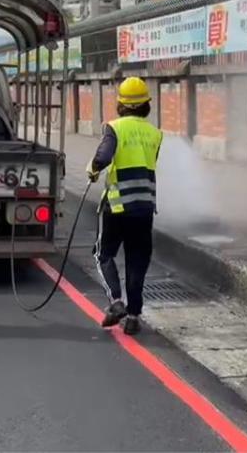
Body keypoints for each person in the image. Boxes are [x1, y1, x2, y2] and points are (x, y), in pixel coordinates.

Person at [88, 77, 162, 336]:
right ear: (146, 105)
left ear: (120, 103)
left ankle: (116, 301)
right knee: (137, 260)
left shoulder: (114, 127)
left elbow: (103, 157)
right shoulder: (156, 133)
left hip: (118, 206)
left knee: (103, 253)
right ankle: (133, 317)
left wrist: (93, 169)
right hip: (144, 206)